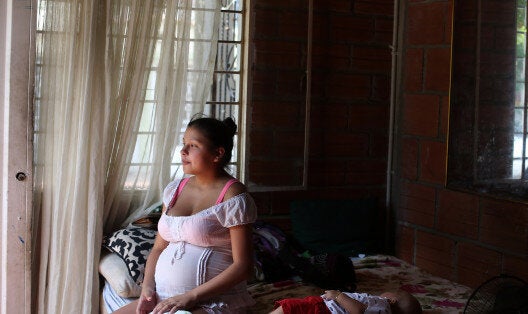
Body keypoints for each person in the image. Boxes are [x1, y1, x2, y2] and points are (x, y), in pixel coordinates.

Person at [114, 115, 257, 314]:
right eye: (183, 144)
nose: (183, 151)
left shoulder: (233, 196)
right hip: (166, 299)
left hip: (214, 301)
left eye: (193, 145)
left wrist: (190, 297)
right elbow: (158, 249)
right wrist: (147, 289)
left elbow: (244, 266)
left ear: (217, 154)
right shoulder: (174, 190)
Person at [269, 289, 422, 314]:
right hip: (326, 308)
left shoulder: (383, 304)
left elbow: (359, 311)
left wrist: (338, 296)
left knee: (292, 307)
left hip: (325, 309)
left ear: (392, 300)